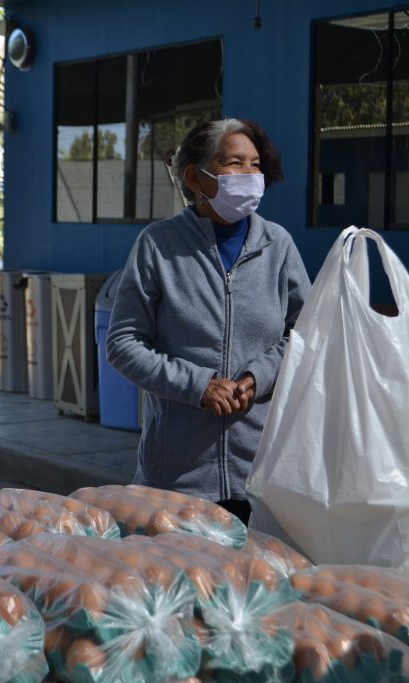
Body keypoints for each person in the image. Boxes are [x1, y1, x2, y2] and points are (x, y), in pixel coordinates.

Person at [106, 118, 310, 524]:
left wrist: (259, 377)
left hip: (260, 474)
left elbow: (305, 333)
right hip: (177, 479)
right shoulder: (158, 245)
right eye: (235, 163)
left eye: (256, 164)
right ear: (195, 178)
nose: (250, 174)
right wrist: (198, 385)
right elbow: (123, 343)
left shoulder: (278, 245)